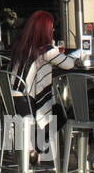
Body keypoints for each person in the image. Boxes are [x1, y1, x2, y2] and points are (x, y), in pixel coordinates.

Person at [9, 10, 78, 139]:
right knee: (63, 113)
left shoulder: (20, 47)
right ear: (46, 30)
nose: (53, 31)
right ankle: (35, 147)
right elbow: (69, 64)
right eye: (52, 28)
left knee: (55, 111)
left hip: (10, 101)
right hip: (28, 104)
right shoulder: (46, 50)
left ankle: (32, 147)